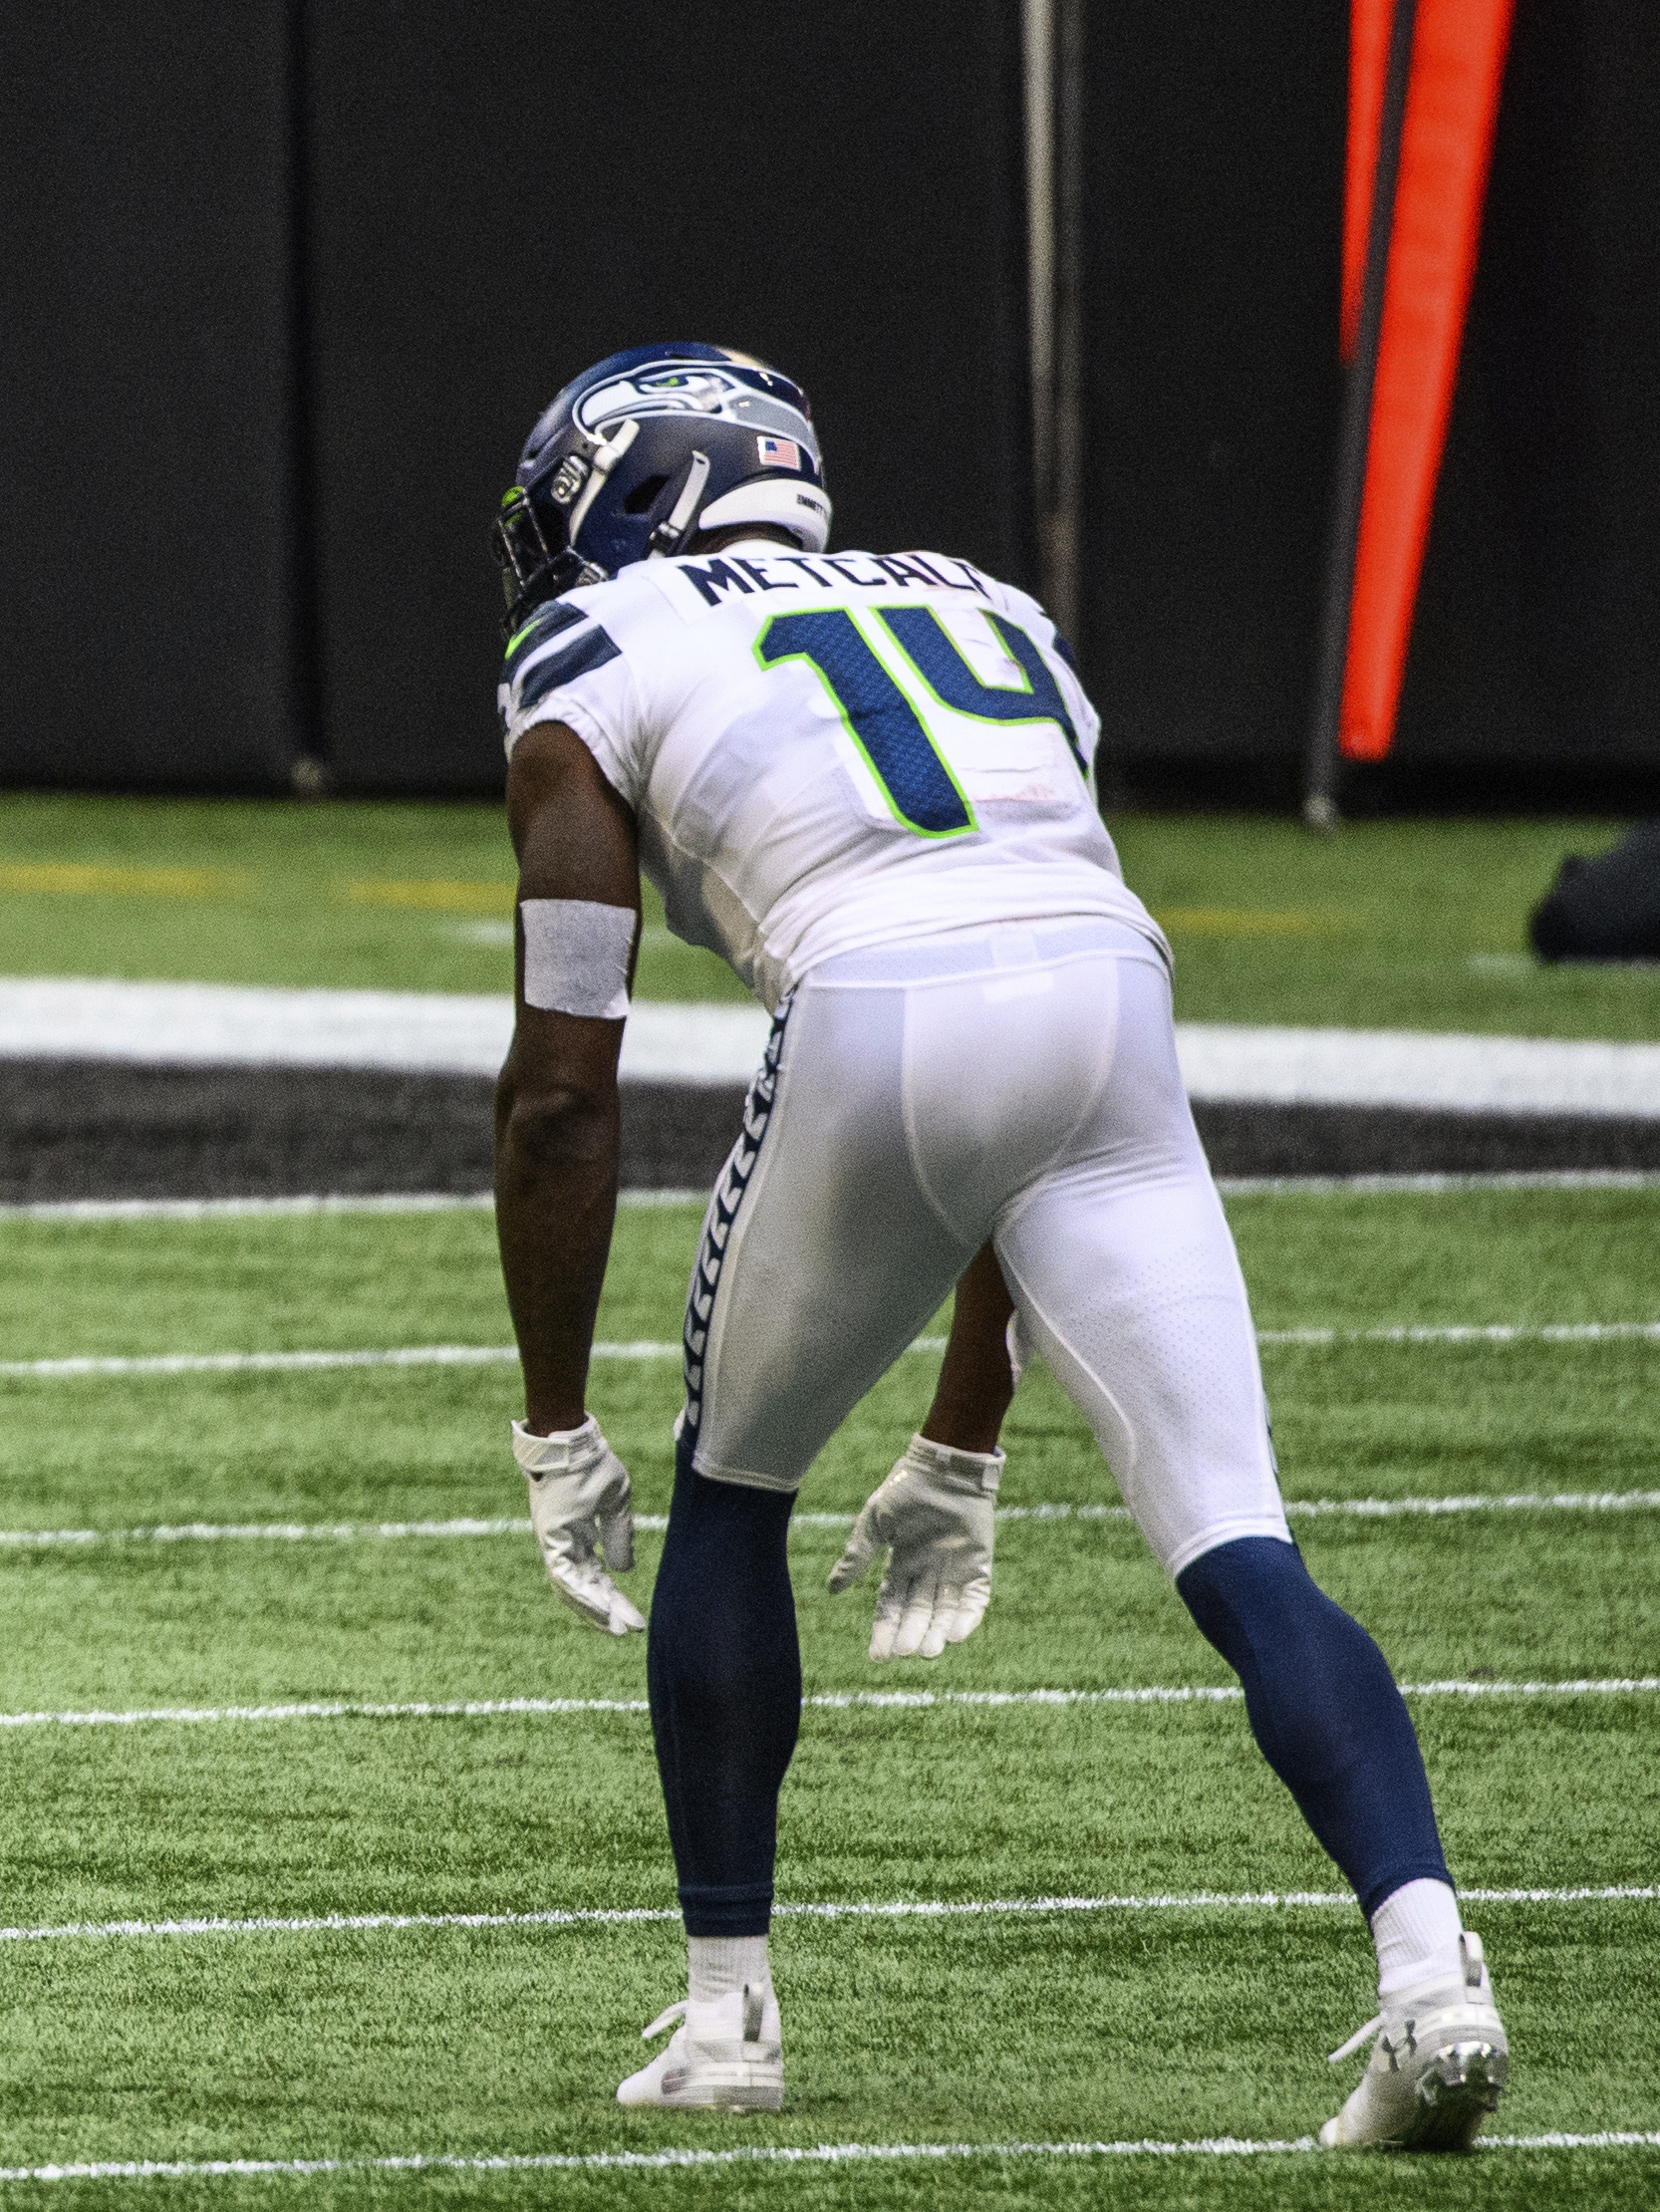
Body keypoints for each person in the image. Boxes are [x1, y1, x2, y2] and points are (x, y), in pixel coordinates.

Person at [485, 345, 1507, 2147]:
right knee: (1238, 1535)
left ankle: (728, 2022)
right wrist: (962, 1434)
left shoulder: (597, 646)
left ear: (627, 492)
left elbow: (565, 1081)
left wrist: (554, 1423)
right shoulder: (994, 605)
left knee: (729, 1489)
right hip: (1110, 994)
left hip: (879, 1002)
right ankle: (1431, 1979)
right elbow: (1015, 1017)